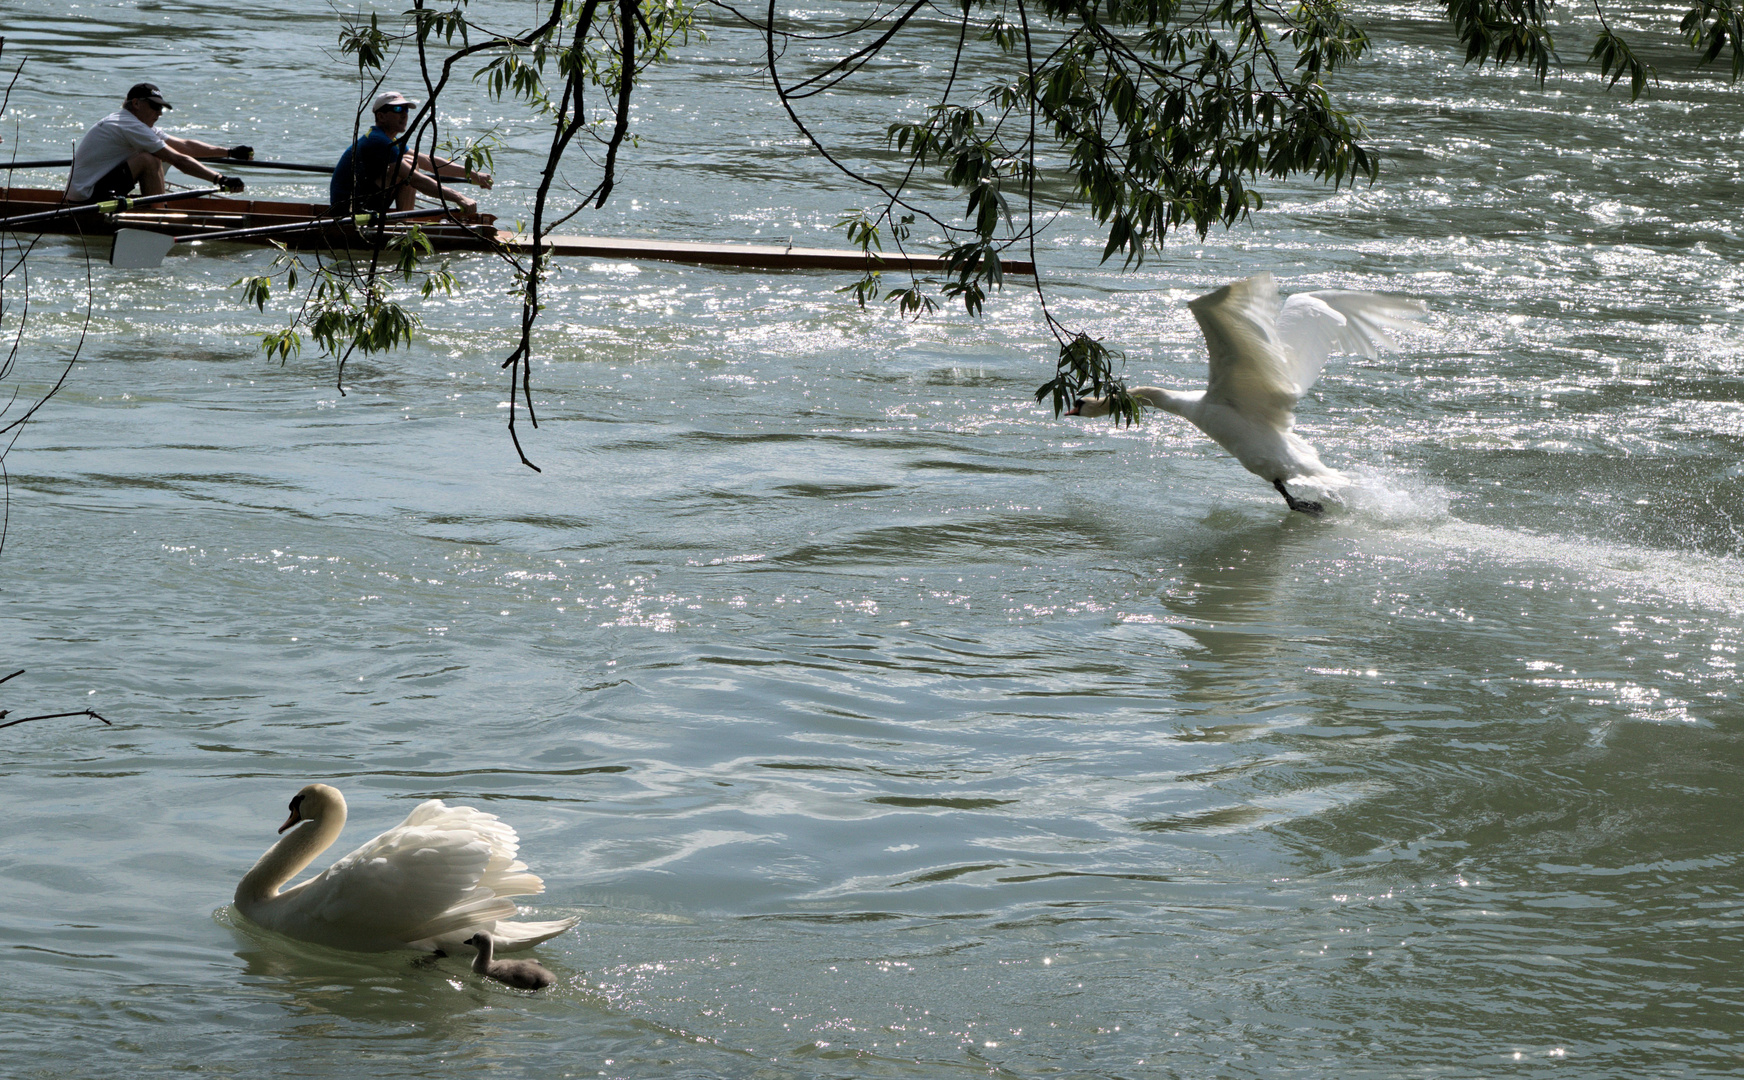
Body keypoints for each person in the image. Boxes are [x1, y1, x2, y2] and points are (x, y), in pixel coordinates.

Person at [65, 83, 248, 202]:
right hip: (84, 198)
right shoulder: (129, 125)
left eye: (161, 108)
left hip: (91, 190)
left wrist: (229, 152)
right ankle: (158, 214)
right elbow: (179, 160)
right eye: (155, 106)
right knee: (151, 158)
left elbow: (184, 146)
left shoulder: (135, 124)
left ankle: (158, 207)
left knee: (157, 153)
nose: (159, 113)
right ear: (136, 103)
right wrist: (220, 179)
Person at [331, 91, 492, 216]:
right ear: (381, 116)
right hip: (348, 211)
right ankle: (404, 226)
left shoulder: (389, 139)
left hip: (363, 200)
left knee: (411, 160)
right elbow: (416, 180)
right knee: (408, 170)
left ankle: (404, 222)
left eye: (406, 109)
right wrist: (459, 197)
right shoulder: (378, 141)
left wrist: (472, 174)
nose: (404, 114)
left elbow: (429, 162)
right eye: (397, 109)